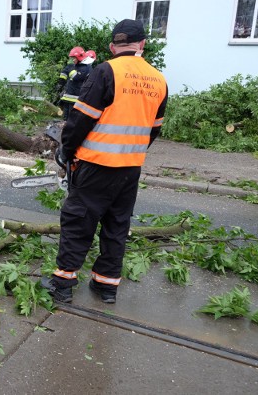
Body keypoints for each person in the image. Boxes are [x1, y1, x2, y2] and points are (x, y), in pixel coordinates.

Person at [41, 19, 168, 304]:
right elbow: (154, 128)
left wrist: (67, 151)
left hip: (96, 164)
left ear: (112, 46)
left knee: (79, 222)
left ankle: (62, 284)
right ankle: (106, 285)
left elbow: (81, 118)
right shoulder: (159, 79)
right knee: (117, 225)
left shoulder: (106, 71)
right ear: (143, 44)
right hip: (130, 167)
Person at [55, 46, 92, 121]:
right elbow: (64, 73)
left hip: (76, 99)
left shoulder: (86, 68)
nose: (72, 60)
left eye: (74, 58)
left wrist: (70, 68)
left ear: (79, 57)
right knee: (65, 119)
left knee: (73, 119)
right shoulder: (74, 66)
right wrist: (60, 83)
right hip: (67, 96)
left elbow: (75, 77)